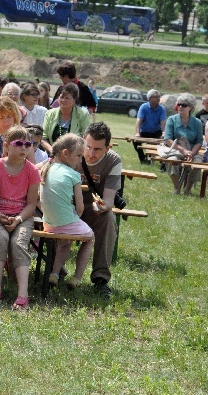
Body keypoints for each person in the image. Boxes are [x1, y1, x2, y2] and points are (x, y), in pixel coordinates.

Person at [0, 126, 40, 310]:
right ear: (7, 146)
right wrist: (0, 216)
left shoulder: (32, 170)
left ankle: (23, 294)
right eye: (19, 144)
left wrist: (17, 219)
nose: (24, 148)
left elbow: (31, 204)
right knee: (0, 239)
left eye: (28, 144)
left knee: (18, 243)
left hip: (23, 216)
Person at [40, 134, 94, 289]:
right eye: (78, 156)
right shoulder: (74, 175)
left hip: (48, 223)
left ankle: (54, 274)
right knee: (89, 238)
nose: (80, 160)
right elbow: (80, 207)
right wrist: (76, 216)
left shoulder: (46, 168)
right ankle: (76, 278)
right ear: (65, 153)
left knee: (65, 241)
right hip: (65, 222)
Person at [77, 122, 122, 298]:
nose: (90, 153)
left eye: (97, 149)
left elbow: (109, 199)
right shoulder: (73, 152)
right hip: (69, 206)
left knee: (108, 219)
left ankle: (100, 278)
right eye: (88, 147)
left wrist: (102, 207)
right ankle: (56, 271)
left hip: (93, 208)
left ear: (107, 148)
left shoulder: (113, 160)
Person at [164, 93, 204, 195]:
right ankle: (177, 188)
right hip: (175, 149)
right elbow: (168, 139)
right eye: (179, 104)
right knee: (172, 161)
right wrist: (183, 151)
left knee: (198, 163)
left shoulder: (197, 123)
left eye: (184, 105)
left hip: (192, 151)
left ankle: (188, 188)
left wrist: (191, 153)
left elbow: (199, 141)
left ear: (191, 107)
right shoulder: (171, 120)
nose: (180, 107)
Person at [42, 82, 90, 155]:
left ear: (74, 101)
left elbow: (86, 138)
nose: (63, 100)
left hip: (74, 156)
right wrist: (53, 152)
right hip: (53, 155)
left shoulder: (82, 114)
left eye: (67, 98)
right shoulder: (49, 114)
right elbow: (43, 138)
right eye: (61, 97)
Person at [133, 89, 167, 165]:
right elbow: (139, 121)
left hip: (156, 132)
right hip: (144, 131)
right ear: (150, 98)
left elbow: (163, 122)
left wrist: (164, 132)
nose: (158, 98)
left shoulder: (161, 108)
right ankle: (143, 159)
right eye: (156, 97)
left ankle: (163, 163)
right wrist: (137, 133)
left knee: (165, 142)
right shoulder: (143, 107)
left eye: (159, 96)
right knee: (135, 141)